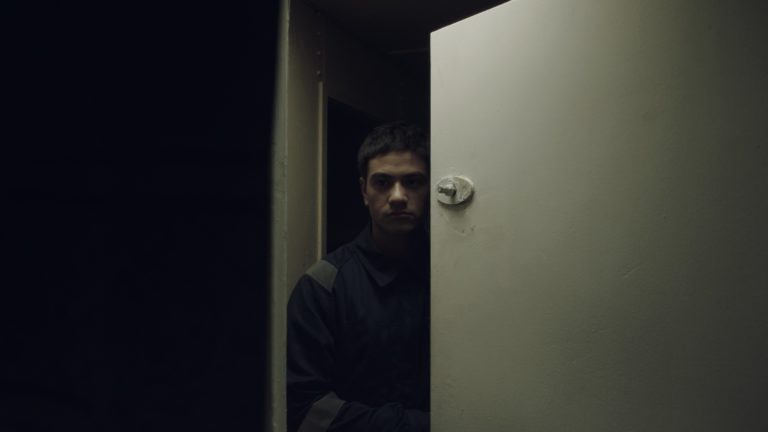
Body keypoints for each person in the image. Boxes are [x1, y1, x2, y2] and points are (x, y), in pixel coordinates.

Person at [287, 121, 431, 432]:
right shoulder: (322, 285)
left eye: (413, 182)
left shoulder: (457, 279)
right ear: (364, 191)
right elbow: (304, 409)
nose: (397, 196)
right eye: (383, 182)